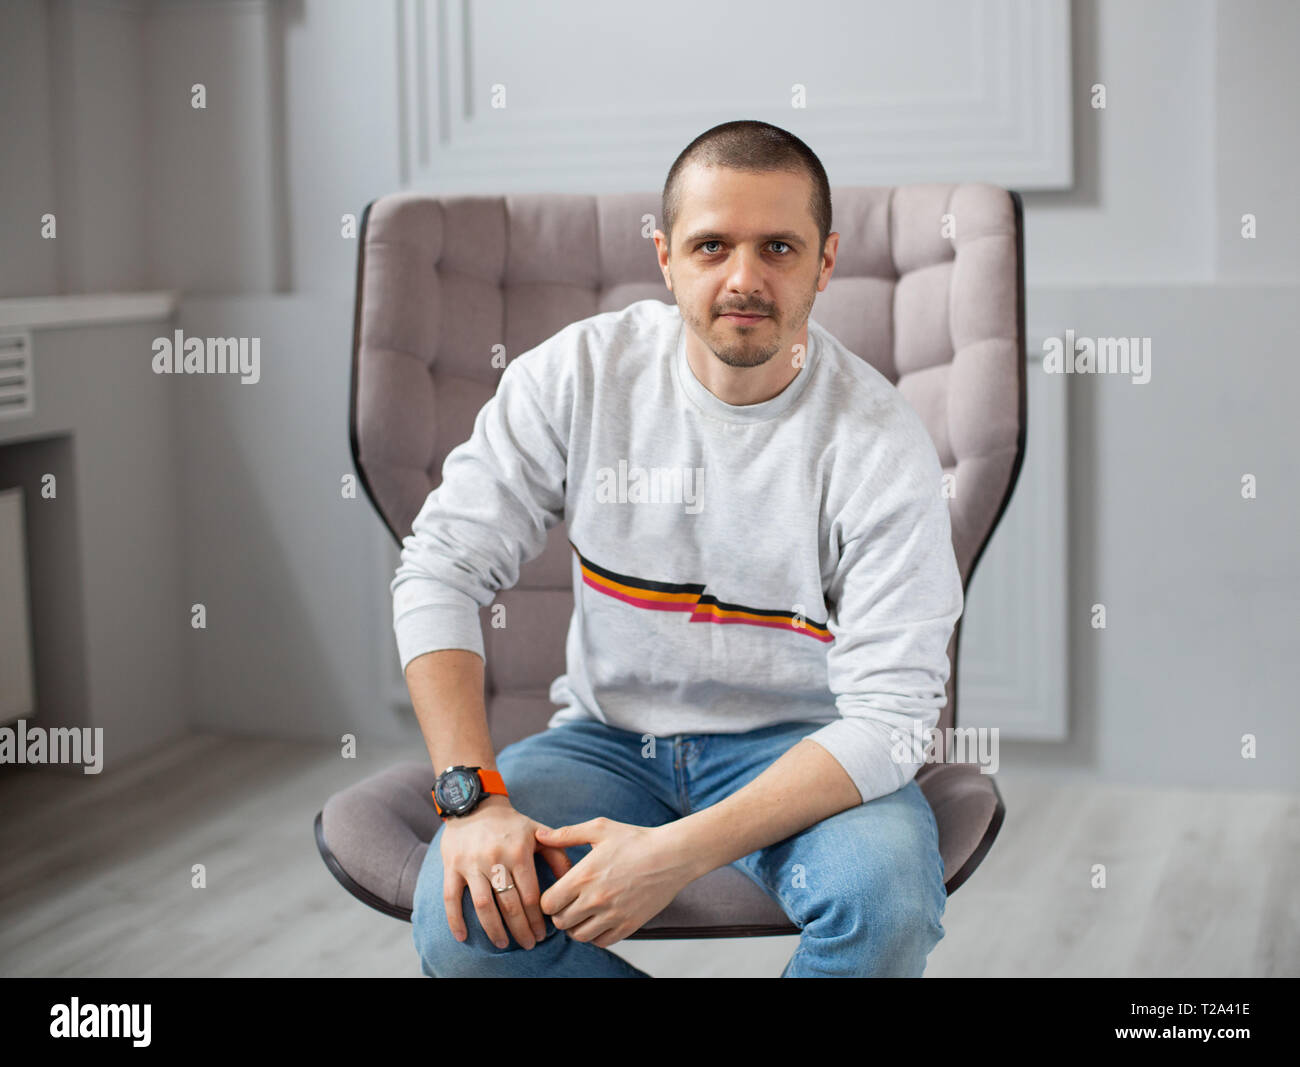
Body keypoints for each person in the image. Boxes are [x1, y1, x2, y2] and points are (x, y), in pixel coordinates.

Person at [393, 119, 963, 978]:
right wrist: (470, 798)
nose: (744, 278)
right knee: (465, 923)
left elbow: (892, 718)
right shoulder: (578, 375)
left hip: (798, 748)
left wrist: (673, 853)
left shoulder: (880, 441)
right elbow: (440, 567)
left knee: (886, 903)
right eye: (710, 246)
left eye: (778, 246)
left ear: (826, 260)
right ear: (665, 257)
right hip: (605, 741)